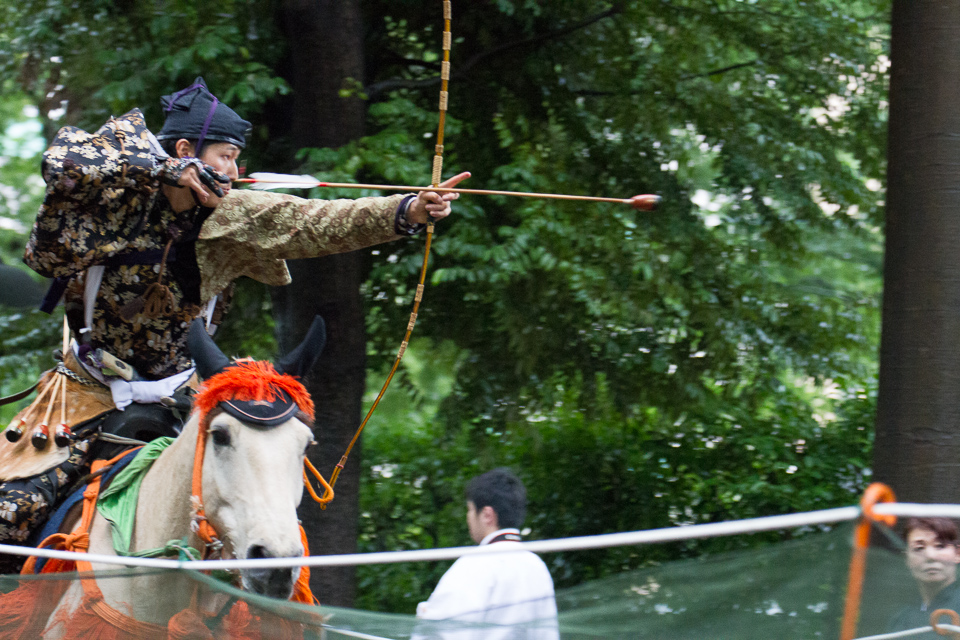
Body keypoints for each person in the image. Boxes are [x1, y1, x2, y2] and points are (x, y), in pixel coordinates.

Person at [0, 77, 469, 555]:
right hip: (85, 394)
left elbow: (315, 222)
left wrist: (406, 211)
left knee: (257, 520)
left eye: (236, 159)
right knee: (10, 512)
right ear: (187, 149)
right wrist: (166, 169)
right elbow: (64, 157)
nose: (235, 168)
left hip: (183, 399)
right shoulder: (115, 198)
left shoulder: (232, 213)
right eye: (225, 156)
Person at [415, 468, 559, 639]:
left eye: (469, 509)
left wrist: (425, 614)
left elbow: (440, 633)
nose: (468, 517)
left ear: (487, 515)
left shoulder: (475, 565)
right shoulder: (537, 566)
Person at [887, 517, 960, 636]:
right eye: (919, 548)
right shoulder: (901, 621)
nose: (930, 556)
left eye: (940, 546)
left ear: (957, 554)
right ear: (906, 559)